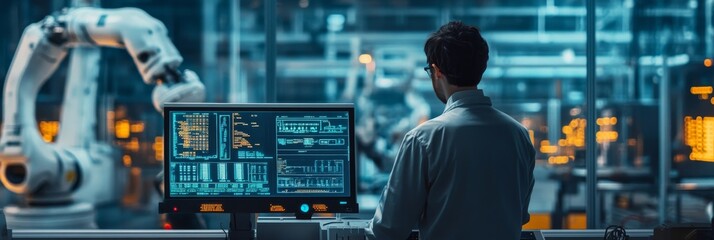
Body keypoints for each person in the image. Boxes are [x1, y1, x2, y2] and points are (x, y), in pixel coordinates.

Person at [366, 21, 536, 240]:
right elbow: (519, 216)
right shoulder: (519, 136)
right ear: (481, 68)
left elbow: (388, 230)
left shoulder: (422, 139)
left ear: (436, 71)